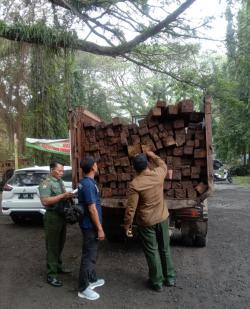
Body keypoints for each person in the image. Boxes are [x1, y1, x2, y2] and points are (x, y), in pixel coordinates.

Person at [124, 151, 176, 292]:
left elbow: (131, 209)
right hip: (163, 218)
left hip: (147, 223)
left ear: (134, 168)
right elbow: (162, 164)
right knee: (165, 249)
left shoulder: (135, 184)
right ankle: (170, 278)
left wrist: (127, 225)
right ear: (148, 164)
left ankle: (157, 282)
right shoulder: (158, 175)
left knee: (152, 252)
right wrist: (152, 154)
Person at [39, 162, 74, 287]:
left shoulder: (60, 182)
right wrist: (62, 196)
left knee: (60, 243)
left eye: (62, 171)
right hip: (52, 217)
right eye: (59, 170)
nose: (61, 173)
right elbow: (45, 201)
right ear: (52, 170)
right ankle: (51, 275)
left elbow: (61, 197)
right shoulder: (46, 183)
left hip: (61, 216)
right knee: (52, 246)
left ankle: (58, 267)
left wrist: (69, 196)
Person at [77, 156, 105, 301]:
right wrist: (100, 228)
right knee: (88, 256)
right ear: (93, 167)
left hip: (89, 225)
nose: (97, 166)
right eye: (96, 164)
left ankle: (92, 279)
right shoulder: (88, 185)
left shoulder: (85, 182)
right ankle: (83, 288)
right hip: (90, 226)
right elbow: (92, 209)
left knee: (92, 254)